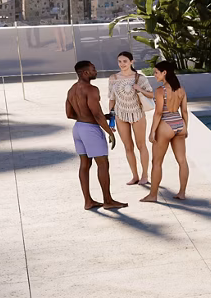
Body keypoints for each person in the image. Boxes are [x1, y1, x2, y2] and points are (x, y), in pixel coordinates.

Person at [65, 60, 126, 211]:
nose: (96, 71)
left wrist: (86, 118)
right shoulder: (91, 89)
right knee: (103, 164)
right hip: (91, 130)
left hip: (78, 128)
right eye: (93, 69)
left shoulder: (71, 90)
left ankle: (88, 201)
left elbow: (69, 114)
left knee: (85, 165)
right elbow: (97, 114)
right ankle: (108, 200)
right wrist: (109, 132)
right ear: (85, 72)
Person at [141, 60, 190, 202]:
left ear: (164, 73)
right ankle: (182, 193)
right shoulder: (181, 89)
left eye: (156, 72)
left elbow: (158, 113)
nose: (155, 75)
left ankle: (153, 195)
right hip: (179, 123)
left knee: (156, 162)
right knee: (182, 161)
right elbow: (185, 111)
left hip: (166, 124)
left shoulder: (160, 90)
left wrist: (152, 131)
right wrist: (185, 128)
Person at [107, 51, 154, 188]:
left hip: (138, 114)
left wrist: (139, 88)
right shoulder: (113, 78)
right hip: (121, 115)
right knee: (128, 147)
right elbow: (111, 99)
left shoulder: (140, 78)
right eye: (120, 61)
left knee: (141, 145)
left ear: (132, 62)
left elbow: (151, 95)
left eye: (125, 61)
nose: (122, 64)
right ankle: (135, 176)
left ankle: (145, 175)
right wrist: (111, 121)